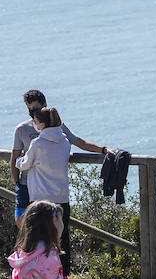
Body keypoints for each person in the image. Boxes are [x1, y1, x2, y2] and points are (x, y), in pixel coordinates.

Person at [10, 90, 111, 265]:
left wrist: (102, 149)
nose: (33, 114)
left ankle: (49, 268)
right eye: (30, 110)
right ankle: (32, 265)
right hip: (27, 184)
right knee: (23, 223)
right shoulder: (22, 129)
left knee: (55, 231)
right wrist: (17, 183)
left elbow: (79, 142)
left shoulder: (59, 128)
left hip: (46, 189)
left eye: (36, 110)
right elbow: (15, 156)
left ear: (44, 106)